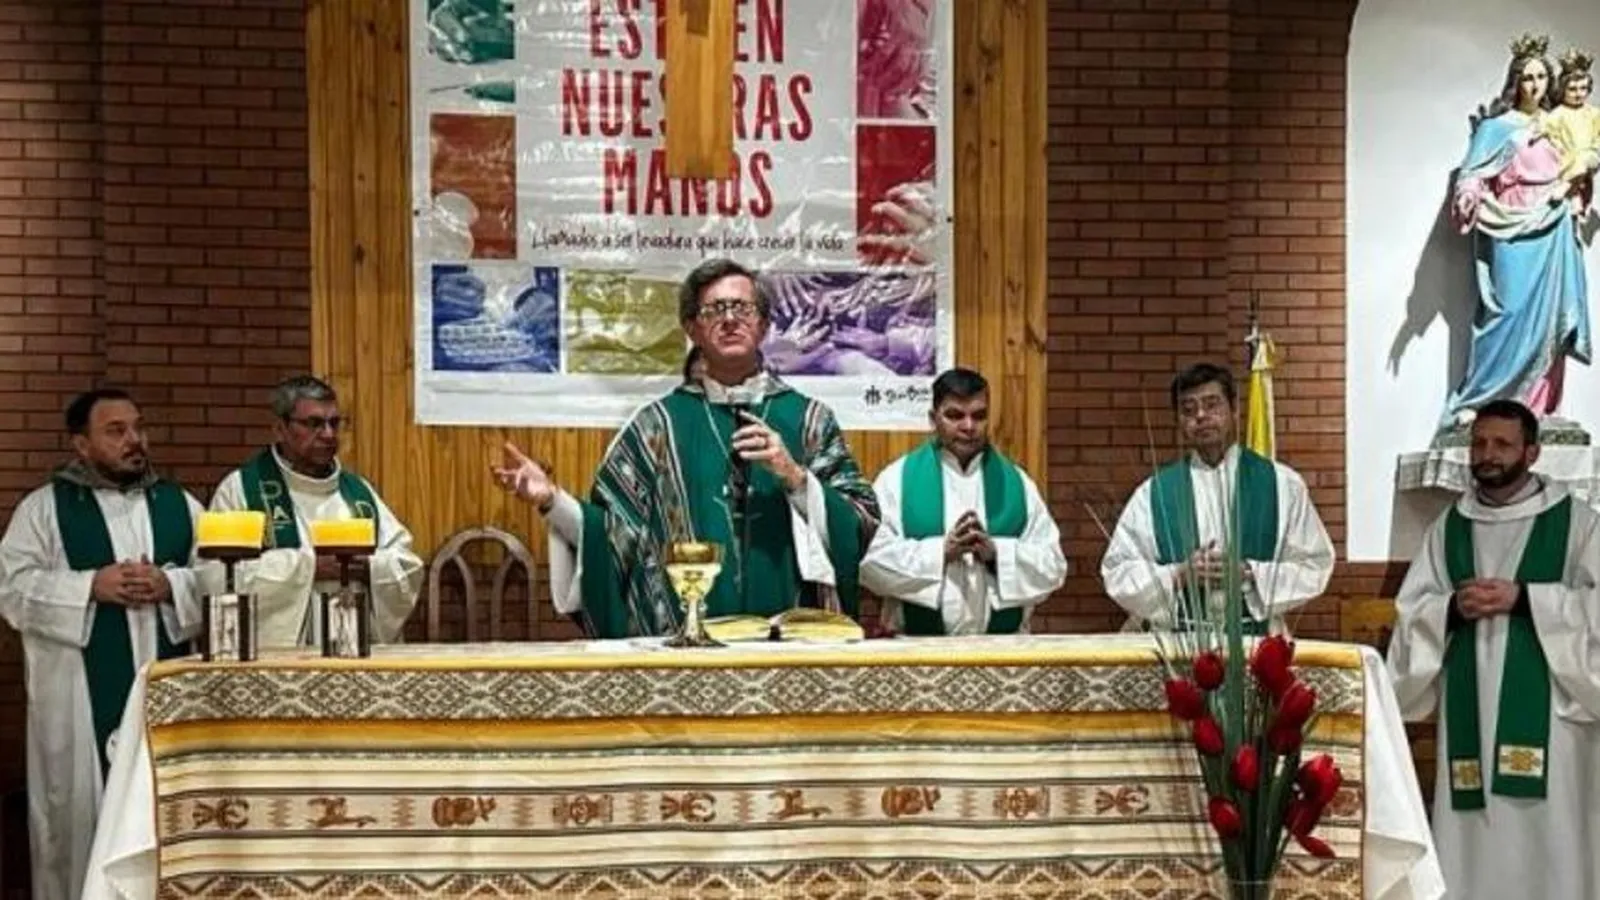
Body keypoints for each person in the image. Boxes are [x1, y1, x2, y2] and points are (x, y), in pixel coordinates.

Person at [493, 258, 880, 637]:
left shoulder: (810, 420)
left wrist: (795, 477)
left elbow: (860, 524)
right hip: (685, 651)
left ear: (763, 325)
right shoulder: (655, 426)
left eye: (742, 308)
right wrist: (551, 500)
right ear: (692, 329)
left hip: (792, 645)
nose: (730, 319)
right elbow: (611, 535)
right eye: (714, 310)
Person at [1387, 400, 1600, 899]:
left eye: (1502, 444)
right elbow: (1413, 611)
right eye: (1479, 443)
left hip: (1554, 718)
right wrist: (1450, 609)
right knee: (1474, 843)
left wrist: (1525, 599)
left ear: (1532, 452)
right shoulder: (1448, 527)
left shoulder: (1579, 523)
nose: (1488, 454)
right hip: (1471, 713)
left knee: (1554, 841)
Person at [0, 389, 205, 900]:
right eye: (116, 431)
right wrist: (89, 586)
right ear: (81, 444)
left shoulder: (180, 505)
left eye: (138, 427)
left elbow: (222, 578)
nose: (135, 440)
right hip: (75, 705)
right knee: (76, 828)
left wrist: (171, 584)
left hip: (165, 700)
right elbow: (11, 588)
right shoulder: (43, 510)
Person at [1099, 363, 1333, 634]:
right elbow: (1117, 571)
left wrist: (1248, 573)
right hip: (1178, 643)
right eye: (1189, 409)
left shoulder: (1282, 485)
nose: (1201, 416)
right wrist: (1179, 574)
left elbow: (1315, 565)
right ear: (1178, 421)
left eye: (1212, 405)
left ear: (1234, 410)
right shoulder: (1154, 493)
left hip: (1256, 643)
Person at [1439, 34, 1592, 429]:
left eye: (1542, 77)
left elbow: (1580, 162)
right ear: (1515, 81)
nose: (1535, 85)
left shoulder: (1558, 124)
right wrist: (1468, 194)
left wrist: (1579, 181)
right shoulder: (1496, 127)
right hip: (1509, 221)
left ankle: (1537, 408)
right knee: (1505, 310)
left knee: (1550, 318)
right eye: (1527, 77)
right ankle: (1485, 398)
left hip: (1553, 224)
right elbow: (1473, 172)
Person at [209, 376, 422, 646]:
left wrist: (368, 567)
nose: (328, 434)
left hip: (352, 653)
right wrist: (309, 568)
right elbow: (215, 578)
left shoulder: (357, 494)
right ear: (280, 429)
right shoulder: (242, 489)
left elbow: (406, 564)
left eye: (334, 423)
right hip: (275, 660)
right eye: (314, 424)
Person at [860, 367, 1066, 635]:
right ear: (933, 419)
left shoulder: (1018, 484)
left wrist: (997, 554)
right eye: (955, 415)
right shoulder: (896, 481)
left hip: (1003, 649)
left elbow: (1053, 567)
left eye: (979, 416)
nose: (969, 426)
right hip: (917, 648)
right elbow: (869, 562)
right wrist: (941, 553)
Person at [1546, 47, 1599, 213]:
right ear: (1563, 89)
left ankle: (1569, 185)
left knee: (1585, 158)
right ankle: (1573, 192)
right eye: (1572, 89)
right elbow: (1551, 136)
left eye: (1583, 88)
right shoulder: (1557, 114)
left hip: (1589, 158)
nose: (1578, 94)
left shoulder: (1594, 114)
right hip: (1565, 161)